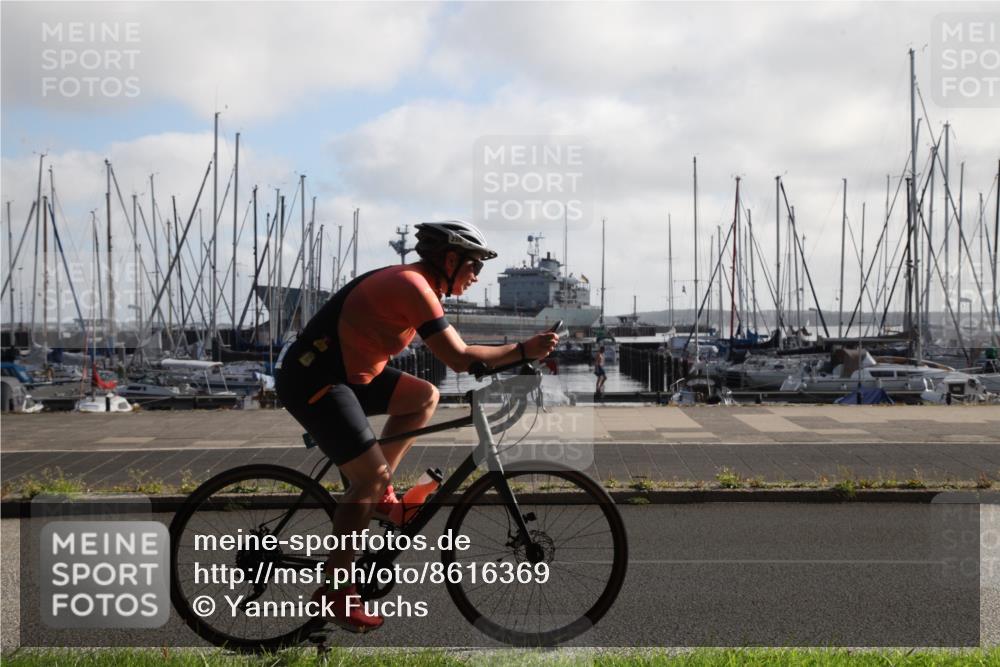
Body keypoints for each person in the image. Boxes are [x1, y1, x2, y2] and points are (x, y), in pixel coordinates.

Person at [275, 220, 558, 633]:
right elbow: (460, 358)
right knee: (366, 477)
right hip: (314, 378)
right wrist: (522, 350)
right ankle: (335, 590)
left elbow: (462, 361)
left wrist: (519, 360)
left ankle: (381, 495)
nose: (476, 277)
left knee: (424, 396)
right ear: (449, 259)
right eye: (473, 266)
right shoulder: (413, 285)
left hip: (353, 377)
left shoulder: (420, 286)